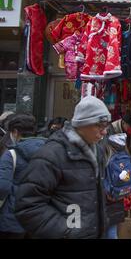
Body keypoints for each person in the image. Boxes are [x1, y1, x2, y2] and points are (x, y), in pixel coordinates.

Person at [14, 96, 111, 238]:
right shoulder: (51, 154)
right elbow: (28, 205)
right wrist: (66, 232)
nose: (104, 132)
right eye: (99, 125)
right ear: (82, 124)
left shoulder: (97, 152)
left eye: (106, 126)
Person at [0, 114, 46, 239]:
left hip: (12, 218)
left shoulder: (11, 154)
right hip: (40, 217)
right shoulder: (48, 151)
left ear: (15, 132)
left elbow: (3, 187)